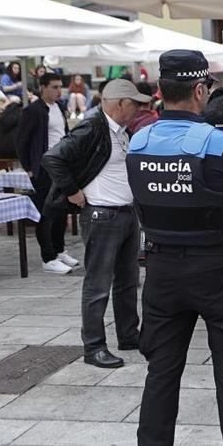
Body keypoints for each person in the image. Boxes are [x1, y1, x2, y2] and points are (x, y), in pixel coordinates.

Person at [127, 50, 223, 446]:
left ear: (159, 90)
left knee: (161, 377)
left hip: (162, 271)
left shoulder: (139, 141)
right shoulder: (219, 142)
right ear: (201, 90)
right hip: (218, 270)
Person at [42, 80, 149, 368]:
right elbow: (53, 158)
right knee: (98, 284)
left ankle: (128, 334)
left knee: (127, 282)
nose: (138, 108)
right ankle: (93, 347)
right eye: (135, 104)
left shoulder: (119, 131)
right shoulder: (93, 127)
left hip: (124, 213)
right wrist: (72, 191)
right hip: (103, 215)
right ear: (119, 104)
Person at [15, 72, 77, 274]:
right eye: (54, 87)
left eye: (60, 87)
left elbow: (64, 135)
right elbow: (21, 142)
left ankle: (58, 251)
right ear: (42, 87)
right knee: (46, 213)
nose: (59, 91)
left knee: (61, 212)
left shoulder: (58, 107)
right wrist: (30, 169)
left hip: (61, 165)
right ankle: (48, 257)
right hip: (44, 168)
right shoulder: (33, 110)